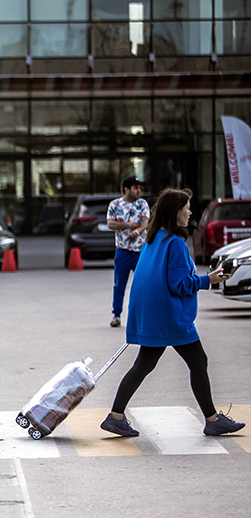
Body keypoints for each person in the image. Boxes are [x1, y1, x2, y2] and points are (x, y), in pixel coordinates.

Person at [100, 188, 244, 438]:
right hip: (170, 317)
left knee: (145, 364)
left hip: (153, 315)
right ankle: (212, 420)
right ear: (174, 211)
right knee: (198, 361)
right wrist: (208, 279)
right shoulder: (175, 243)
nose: (190, 212)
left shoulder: (154, 238)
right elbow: (180, 284)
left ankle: (116, 416)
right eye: (186, 207)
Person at [106, 176, 150, 328]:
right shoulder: (115, 204)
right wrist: (127, 225)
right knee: (119, 285)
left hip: (140, 250)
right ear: (126, 189)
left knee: (143, 283)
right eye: (135, 188)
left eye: (139, 188)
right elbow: (110, 223)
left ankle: (145, 315)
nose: (139, 191)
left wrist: (138, 230)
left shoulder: (142, 204)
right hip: (122, 250)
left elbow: (146, 222)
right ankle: (116, 315)